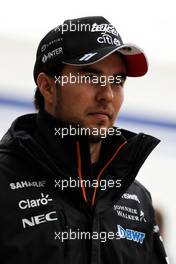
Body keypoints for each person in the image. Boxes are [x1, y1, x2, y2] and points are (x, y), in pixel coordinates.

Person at [0, 16, 169, 264]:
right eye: (91, 78)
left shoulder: (137, 199)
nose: (107, 95)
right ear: (47, 87)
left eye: (117, 81)